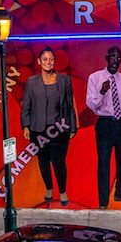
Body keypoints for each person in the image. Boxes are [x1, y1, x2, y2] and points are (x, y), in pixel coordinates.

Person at [21, 46, 77, 207]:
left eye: (51, 59)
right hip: (37, 129)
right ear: (39, 62)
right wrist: (25, 125)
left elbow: (69, 105)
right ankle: (49, 189)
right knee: (43, 161)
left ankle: (63, 191)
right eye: (45, 59)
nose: (48, 62)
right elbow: (27, 106)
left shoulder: (64, 80)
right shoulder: (32, 82)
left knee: (59, 161)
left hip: (60, 129)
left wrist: (72, 127)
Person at [85, 45, 121, 210]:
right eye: (113, 57)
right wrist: (101, 92)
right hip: (105, 123)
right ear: (107, 58)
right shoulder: (95, 78)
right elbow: (91, 105)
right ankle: (103, 201)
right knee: (104, 163)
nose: (116, 60)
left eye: (119, 57)